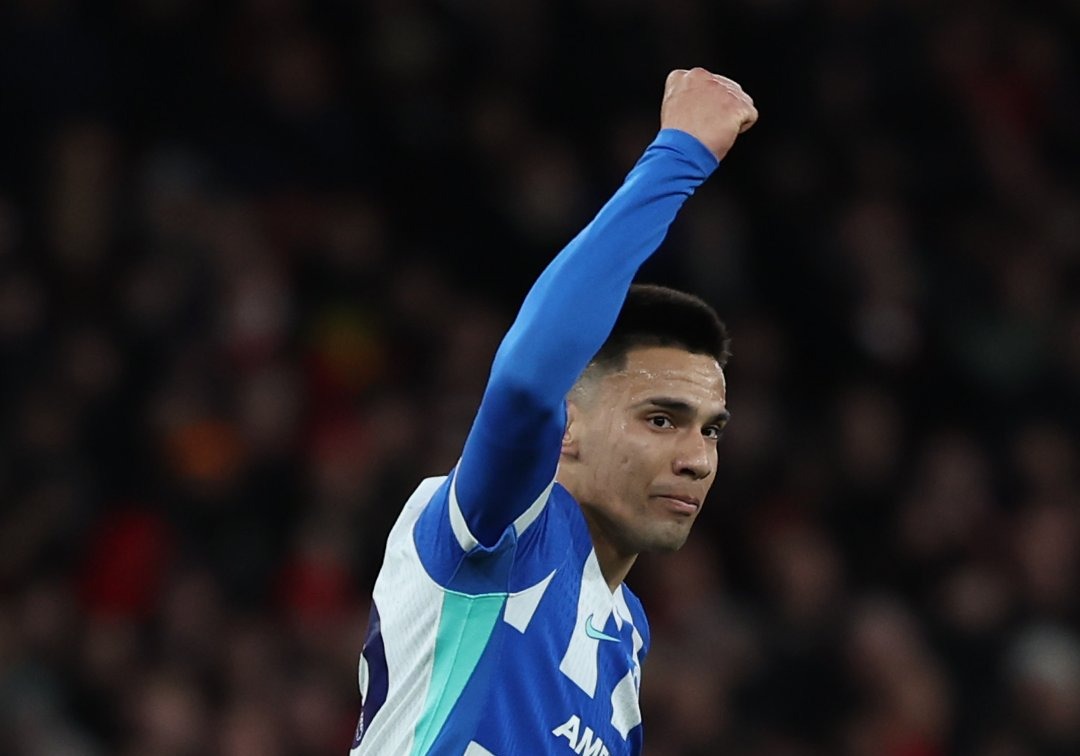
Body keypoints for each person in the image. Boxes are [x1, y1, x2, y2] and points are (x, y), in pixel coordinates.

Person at [351, 67, 757, 755]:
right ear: (567, 426)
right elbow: (524, 384)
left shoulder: (626, 642)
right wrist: (679, 155)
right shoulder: (504, 527)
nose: (697, 459)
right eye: (661, 419)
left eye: (710, 430)